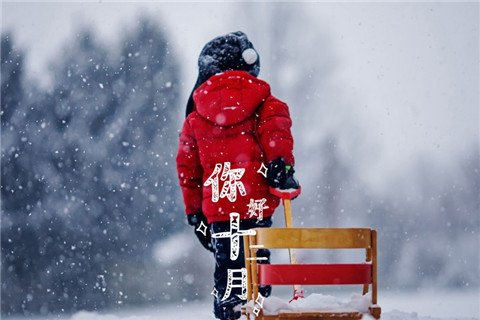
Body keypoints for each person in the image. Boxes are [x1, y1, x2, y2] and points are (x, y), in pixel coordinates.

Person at [176, 31, 299, 320]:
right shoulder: (267, 104)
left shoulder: (194, 119)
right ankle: (258, 308)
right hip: (257, 210)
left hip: (220, 212)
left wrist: (195, 214)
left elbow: (188, 171)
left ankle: (231, 309)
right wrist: (282, 167)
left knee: (229, 273)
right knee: (258, 272)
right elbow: (277, 136)